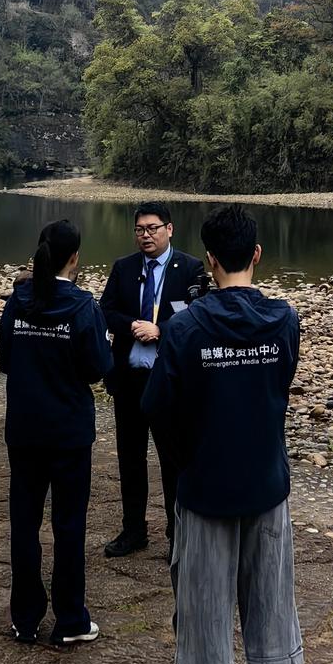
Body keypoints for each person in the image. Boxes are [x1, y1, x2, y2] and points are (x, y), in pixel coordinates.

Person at [143, 204, 302, 664]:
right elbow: (277, 386)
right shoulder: (283, 320)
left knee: (206, 629)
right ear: (256, 255)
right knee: (272, 622)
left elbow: (156, 407)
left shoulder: (186, 328)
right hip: (266, 488)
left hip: (206, 491)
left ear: (209, 260)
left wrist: (190, 456)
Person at [0, 218, 112, 646]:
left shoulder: (18, 302)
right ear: (75, 258)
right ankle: (70, 621)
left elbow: (4, 358)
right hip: (68, 434)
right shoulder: (83, 307)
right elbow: (99, 367)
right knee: (69, 525)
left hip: (25, 431)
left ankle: (25, 618)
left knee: (24, 524)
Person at [99, 206, 206, 558]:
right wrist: (132, 324)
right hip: (129, 379)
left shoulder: (190, 269)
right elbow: (105, 311)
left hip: (169, 382)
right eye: (140, 229)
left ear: (170, 229)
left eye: (153, 228)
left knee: (172, 460)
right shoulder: (124, 268)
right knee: (130, 458)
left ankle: (178, 534)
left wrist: (161, 330)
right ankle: (133, 531)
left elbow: (198, 318)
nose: (146, 235)